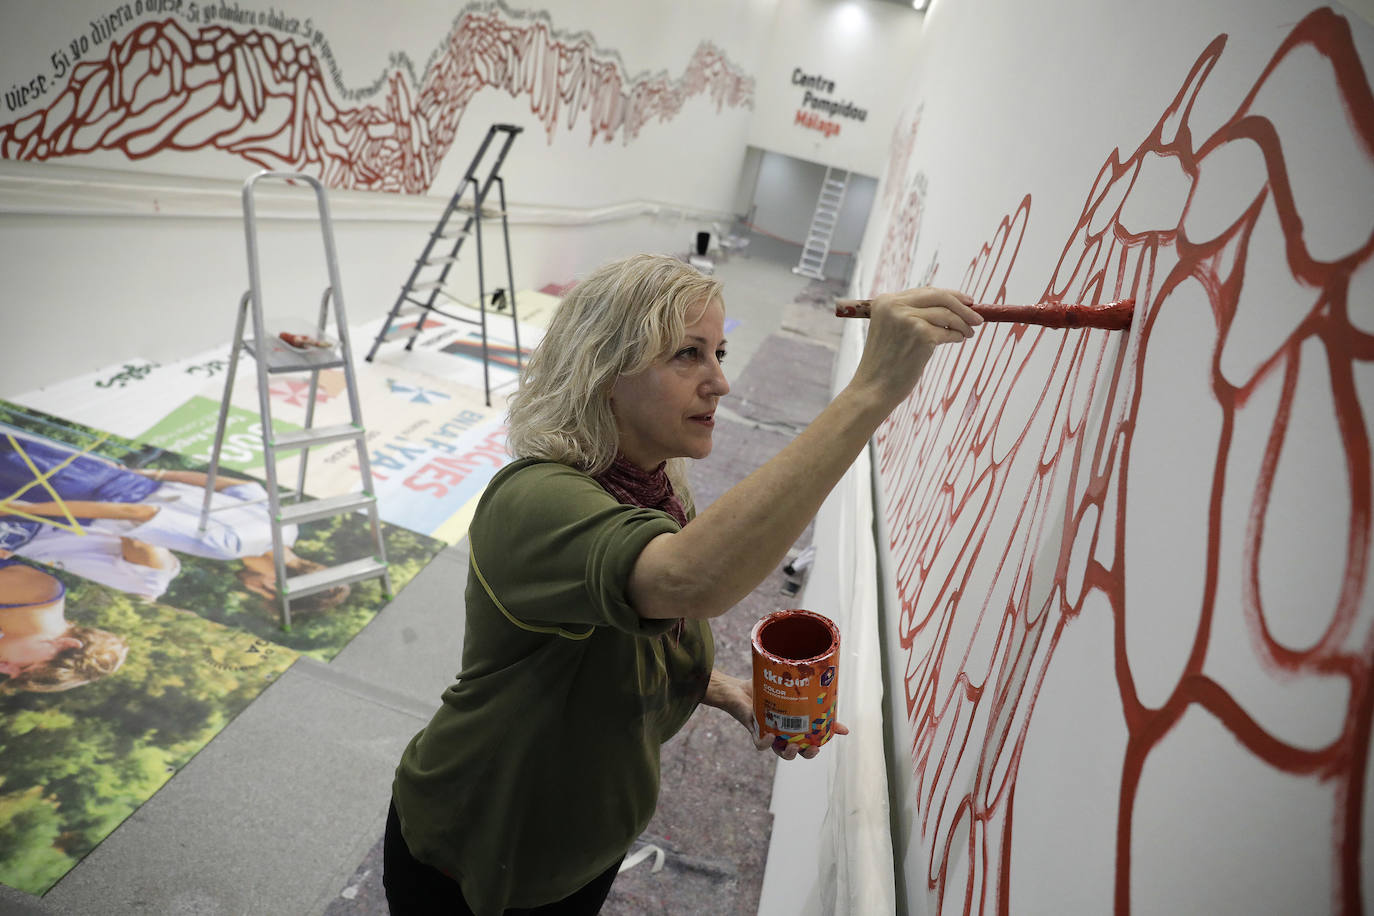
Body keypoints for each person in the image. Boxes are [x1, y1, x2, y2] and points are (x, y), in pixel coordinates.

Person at [384, 253, 981, 914]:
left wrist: (725, 690)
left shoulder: (659, 489)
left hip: (582, 848)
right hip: (478, 849)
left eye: (719, 351)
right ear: (603, 369)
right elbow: (689, 581)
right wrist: (871, 391)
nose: (720, 382)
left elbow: (639, 639)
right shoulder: (532, 501)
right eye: (687, 355)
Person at [0, 426, 349, 613]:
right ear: (274, 586)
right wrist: (25, 510)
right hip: (75, 496)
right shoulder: (227, 547)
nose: (248, 588)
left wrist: (158, 472)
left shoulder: (287, 525)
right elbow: (135, 514)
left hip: (107, 478)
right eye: (261, 594)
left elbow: (241, 485)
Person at [0, 558, 129, 693]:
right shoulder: (39, 593)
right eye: (24, 666)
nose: (2, 668)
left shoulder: (9, 631)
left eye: (10, 673)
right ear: (65, 644)